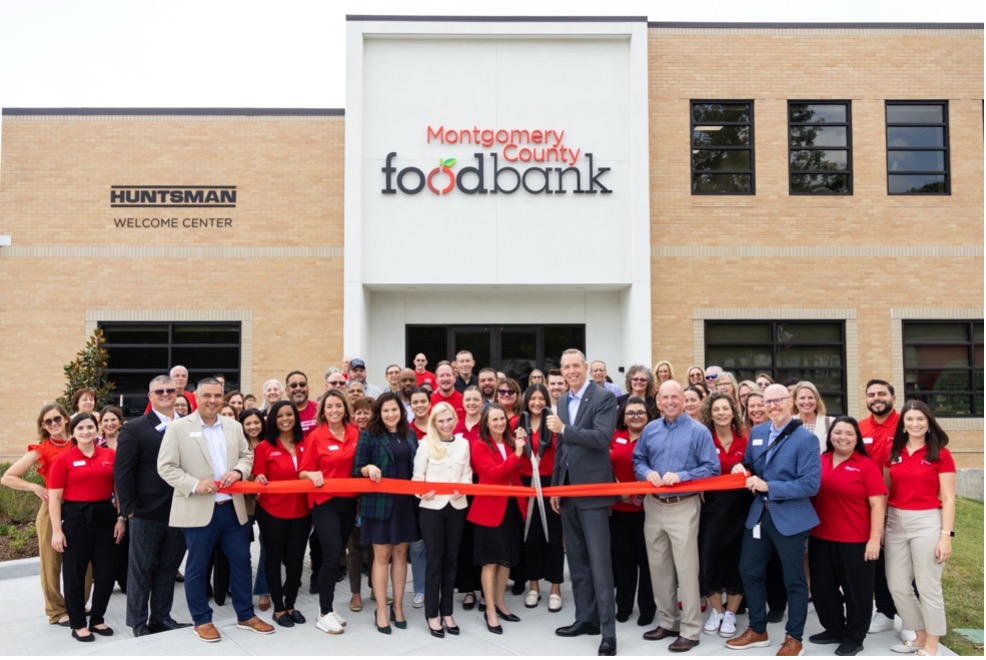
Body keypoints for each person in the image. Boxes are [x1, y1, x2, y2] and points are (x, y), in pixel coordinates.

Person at [157, 377, 274, 642]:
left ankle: (245, 614)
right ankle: (202, 619)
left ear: (223, 398)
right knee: (197, 568)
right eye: (207, 396)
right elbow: (165, 467)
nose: (212, 400)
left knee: (242, 563)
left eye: (217, 396)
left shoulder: (233, 426)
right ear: (196, 398)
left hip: (232, 508)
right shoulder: (177, 428)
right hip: (198, 508)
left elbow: (247, 456)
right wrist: (195, 484)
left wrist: (238, 471)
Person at [726, 383, 821, 657]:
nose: (772, 406)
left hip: (790, 518)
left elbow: (810, 485)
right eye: (767, 402)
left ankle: (794, 638)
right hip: (759, 515)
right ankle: (758, 629)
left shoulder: (806, 439)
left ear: (790, 401)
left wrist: (770, 486)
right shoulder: (757, 432)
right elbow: (752, 465)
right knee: (748, 570)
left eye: (778, 400)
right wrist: (741, 467)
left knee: (794, 580)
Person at [633, 380, 719, 653]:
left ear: (684, 399)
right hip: (654, 505)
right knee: (659, 569)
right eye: (664, 397)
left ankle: (691, 630)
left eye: (675, 397)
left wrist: (682, 476)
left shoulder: (699, 431)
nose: (669, 401)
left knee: (686, 569)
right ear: (657, 401)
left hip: (683, 506)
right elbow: (638, 459)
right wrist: (646, 472)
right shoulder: (650, 430)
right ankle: (668, 621)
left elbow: (712, 468)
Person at [546, 349, 619, 656]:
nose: (572, 371)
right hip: (568, 491)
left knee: (600, 563)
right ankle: (585, 619)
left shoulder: (603, 397)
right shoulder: (563, 400)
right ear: (562, 371)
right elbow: (561, 448)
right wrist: (555, 489)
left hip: (592, 490)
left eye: (577, 366)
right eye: (566, 367)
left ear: (586, 368)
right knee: (576, 562)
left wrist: (564, 428)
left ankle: (608, 634)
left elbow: (602, 438)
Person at [114, 377, 192, 637]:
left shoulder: (186, 425)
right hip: (146, 512)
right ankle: (138, 623)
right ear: (150, 395)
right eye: (160, 391)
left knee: (168, 567)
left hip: (180, 509)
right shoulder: (135, 428)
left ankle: (161, 617)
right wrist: (130, 510)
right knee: (142, 568)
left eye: (170, 390)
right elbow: (123, 472)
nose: (166, 394)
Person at [807, 417, 887, 656]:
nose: (843, 437)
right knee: (822, 590)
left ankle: (854, 637)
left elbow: (878, 505)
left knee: (857, 593)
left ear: (857, 438)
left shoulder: (865, 465)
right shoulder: (819, 461)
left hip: (856, 541)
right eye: (838, 432)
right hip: (821, 537)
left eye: (849, 434)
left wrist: (874, 540)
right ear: (830, 435)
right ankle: (834, 629)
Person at [884, 400, 955, 657]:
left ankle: (932, 643)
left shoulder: (940, 454)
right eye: (910, 419)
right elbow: (886, 490)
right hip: (894, 522)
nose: (915, 424)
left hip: (927, 522)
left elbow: (948, 498)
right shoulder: (893, 452)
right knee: (897, 584)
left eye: (920, 419)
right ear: (903, 424)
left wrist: (946, 536)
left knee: (928, 585)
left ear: (928, 423)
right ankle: (919, 634)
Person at [48, 412, 125, 641]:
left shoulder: (110, 455)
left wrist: (121, 517)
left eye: (89, 427)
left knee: (106, 572)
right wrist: (57, 530)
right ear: (73, 432)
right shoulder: (64, 460)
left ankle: (98, 619)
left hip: (105, 516)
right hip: (75, 518)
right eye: (80, 428)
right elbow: (54, 498)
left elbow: (119, 489)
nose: (85, 431)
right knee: (74, 573)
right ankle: (78, 623)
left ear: (97, 429)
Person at [1, 403, 76, 626]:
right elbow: (7, 477)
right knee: (51, 563)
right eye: (48, 421)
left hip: (79, 508)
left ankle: (77, 603)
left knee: (83, 560)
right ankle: (56, 611)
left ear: (65, 419)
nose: (53, 424)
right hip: (51, 508)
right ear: (43, 425)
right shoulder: (41, 449)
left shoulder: (78, 443)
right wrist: (35, 487)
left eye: (57, 419)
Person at [352, 392, 420, 634]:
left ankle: (398, 607)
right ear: (379, 413)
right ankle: (381, 609)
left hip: (406, 505)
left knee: (401, 556)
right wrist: (367, 467)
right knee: (381, 557)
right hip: (380, 504)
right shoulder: (370, 435)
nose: (391, 414)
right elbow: (356, 468)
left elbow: (418, 468)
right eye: (386, 410)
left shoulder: (409, 434)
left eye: (395, 410)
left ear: (401, 412)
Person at [299, 389, 360, 635]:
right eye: (329, 406)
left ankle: (330, 608)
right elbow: (303, 471)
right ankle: (324, 613)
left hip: (349, 503)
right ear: (322, 411)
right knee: (332, 555)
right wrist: (311, 474)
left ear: (345, 408)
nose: (334, 410)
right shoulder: (316, 437)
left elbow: (359, 463)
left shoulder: (355, 433)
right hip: (325, 503)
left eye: (338, 405)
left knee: (340, 553)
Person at [412, 403, 472, 637]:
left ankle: (447, 611)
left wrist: (463, 489)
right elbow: (417, 478)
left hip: (456, 507)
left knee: (452, 560)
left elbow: (466, 474)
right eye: (441, 421)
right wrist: (421, 492)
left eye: (449, 420)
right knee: (434, 560)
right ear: (434, 422)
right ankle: (431, 614)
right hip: (432, 509)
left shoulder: (463, 444)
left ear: (455, 420)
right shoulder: (425, 444)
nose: (446, 424)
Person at [468, 403, 528, 635]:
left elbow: (519, 469)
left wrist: (522, 449)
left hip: (513, 507)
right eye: (494, 420)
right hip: (489, 510)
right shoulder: (480, 445)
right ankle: (490, 608)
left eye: (502, 419)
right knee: (490, 561)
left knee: (506, 560)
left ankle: (501, 602)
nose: (500, 423)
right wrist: (517, 455)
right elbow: (494, 473)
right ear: (486, 423)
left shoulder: (512, 443)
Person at [697, 392, 750, 639]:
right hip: (711, 510)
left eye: (725, 408)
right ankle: (716, 611)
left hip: (740, 510)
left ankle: (731, 613)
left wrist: (746, 470)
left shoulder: (746, 439)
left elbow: (756, 469)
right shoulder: (703, 438)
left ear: (733, 412)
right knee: (710, 560)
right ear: (710, 412)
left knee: (736, 562)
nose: (721, 413)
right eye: (716, 409)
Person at [253, 400, 310, 628]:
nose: (285, 419)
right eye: (280, 416)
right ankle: (278, 607)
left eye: (290, 414)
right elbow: (258, 475)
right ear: (273, 420)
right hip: (272, 511)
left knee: (296, 560)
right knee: (273, 559)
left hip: (302, 512)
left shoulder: (306, 443)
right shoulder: (264, 447)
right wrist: (258, 478)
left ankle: (291, 604)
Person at [857, 379, 902, 636]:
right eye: (871, 394)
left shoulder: (907, 424)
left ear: (893, 398)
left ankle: (910, 617)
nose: (876, 398)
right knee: (877, 559)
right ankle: (885, 611)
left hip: (901, 505)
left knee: (904, 563)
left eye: (882, 394)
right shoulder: (861, 427)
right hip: (869, 507)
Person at [608, 396, 656, 627]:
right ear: (623, 417)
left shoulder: (655, 437)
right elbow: (603, 466)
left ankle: (647, 607)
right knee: (623, 561)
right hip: (618, 509)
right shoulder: (613, 437)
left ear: (648, 416)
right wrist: (619, 491)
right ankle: (624, 606)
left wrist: (638, 494)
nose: (635, 416)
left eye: (640, 412)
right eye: (630, 413)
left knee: (647, 563)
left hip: (647, 510)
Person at [517, 384, 564, 612]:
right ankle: (533, 585)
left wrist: (557, 487)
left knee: (554, 537)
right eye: (532, 398)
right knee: (530, 536)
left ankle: (555, 587)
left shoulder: (553, 423)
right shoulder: (519, 423)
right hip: (526, 485)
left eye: (540, 398)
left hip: (549, 484)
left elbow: (561, 455)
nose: (536, 402)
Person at [453, 385, 484, 610]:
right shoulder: (456, 426)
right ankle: (468, 590)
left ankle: (485, 589)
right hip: (461, 486)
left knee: (482, 538)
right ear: (463, 403)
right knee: (464, 539)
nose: (472, 403)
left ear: (482, 401)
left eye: (476, 400)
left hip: (484, 486)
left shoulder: (488, 425)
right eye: (468, 400)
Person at [238, 408, 270, 613]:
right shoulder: (238, 446)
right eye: (248, 423)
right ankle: (243, 590)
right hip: (245, 502)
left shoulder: (270, 443)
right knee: (242, 550)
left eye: (256, 422)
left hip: (268, 501)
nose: (252, 427)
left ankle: (264, 590)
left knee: (268, 547)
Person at [793, 381, 834, 453]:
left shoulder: (830, 423)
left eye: (810, 398)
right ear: (795, 401)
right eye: (802, 398)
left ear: (817, 400)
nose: (806, 402)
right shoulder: (788, 423)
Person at [285, 370, 319, 437]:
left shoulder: (319, 409)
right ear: (287, 390)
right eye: (293, 385)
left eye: (302, 385)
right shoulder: (279, 413)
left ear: (308, 388)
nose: (298, 388)